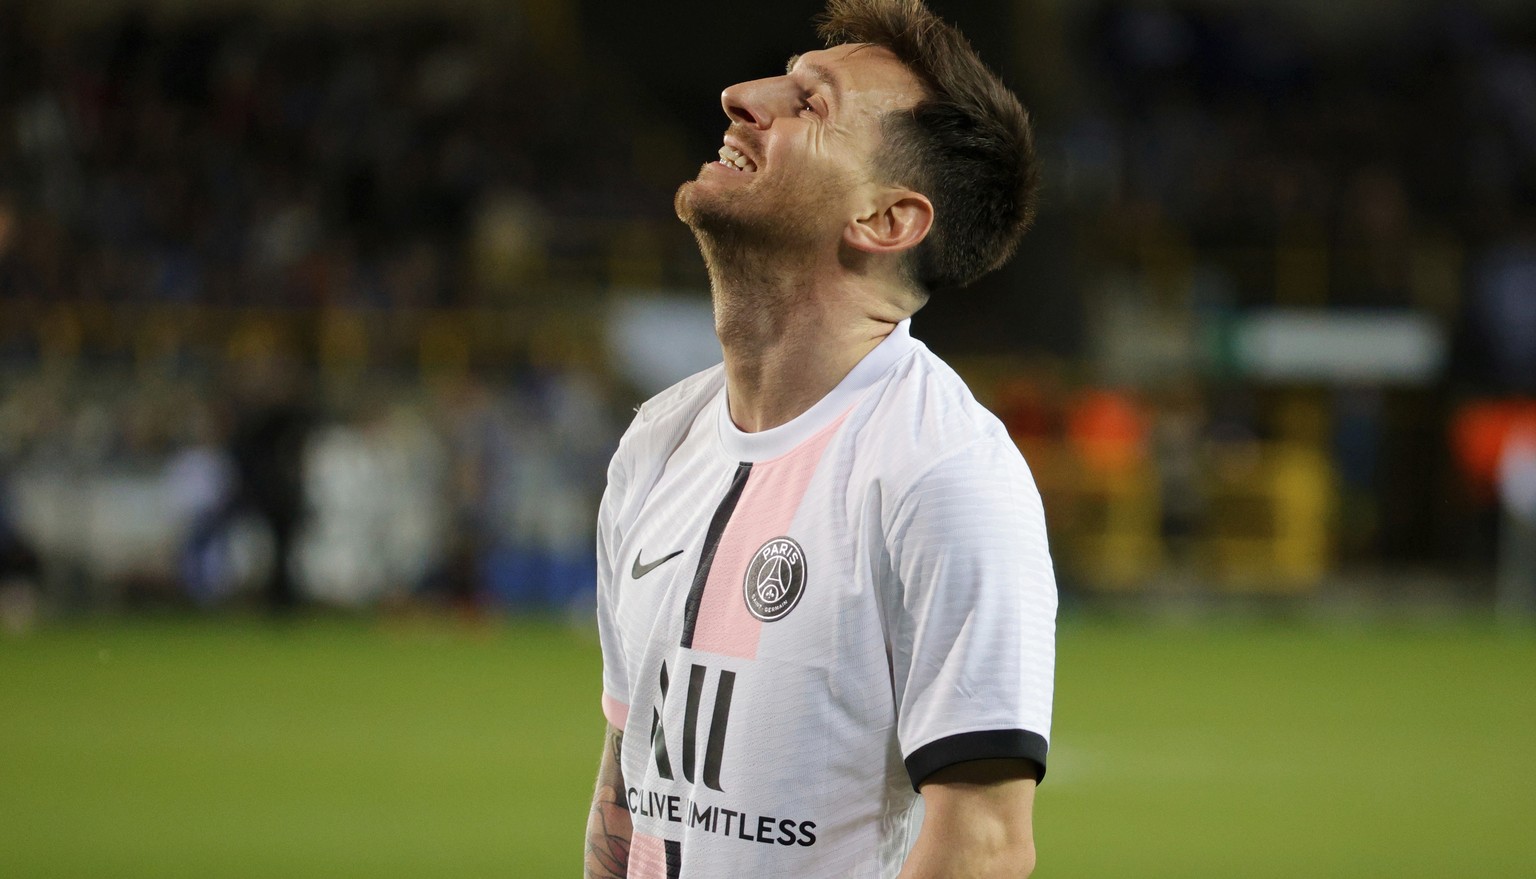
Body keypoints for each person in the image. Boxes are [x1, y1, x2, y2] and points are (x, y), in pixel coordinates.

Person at [584, 1, 1057, 876]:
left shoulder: (945, 472)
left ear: (886, 220)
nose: (739, 95)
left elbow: (984, 846)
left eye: (810, 103)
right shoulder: (658, 440)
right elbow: (629, 785)